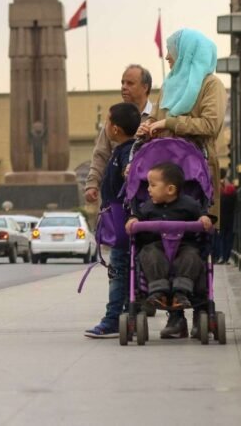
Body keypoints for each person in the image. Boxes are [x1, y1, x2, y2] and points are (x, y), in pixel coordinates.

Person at [138, 28, 225, 338]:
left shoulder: (210, 85)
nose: (167, 56)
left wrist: (170, 123)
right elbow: (160, 123)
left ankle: (201, 309)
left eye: (172, 50)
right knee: (160, 244)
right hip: (165, 175)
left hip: (196, 177)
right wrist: (149, 129)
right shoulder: (172, 86)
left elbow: (210, 125)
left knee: (195, 245)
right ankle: (175, 318)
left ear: (187, 52)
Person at [84, 102, 142, 338]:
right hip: (123, 223)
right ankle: (128, 314)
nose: (105, 126)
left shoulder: (125, 154)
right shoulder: (125, 151)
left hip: (122, 226)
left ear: (115, 129)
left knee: (118, 271)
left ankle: (112, 319)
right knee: (126, 271)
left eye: (107, 122)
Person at [125, 162, 213, 312]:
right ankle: (159, 291)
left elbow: (202, 218)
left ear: (170, 189)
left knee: (192, 256)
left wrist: (204, 219)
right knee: (149, 254)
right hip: (156, 245)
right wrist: (132, 220)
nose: (148, 189)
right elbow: (137, 217)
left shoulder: (189, 204)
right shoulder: (147, 206)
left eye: (153, 185)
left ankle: (181, 291)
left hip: (184, 245)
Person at [84, 65, 154, 206]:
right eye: (122, 82)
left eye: (130, 83)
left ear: (145, 87)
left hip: (149, 199)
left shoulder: (157, 116)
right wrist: (92, 183)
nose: (123, 87)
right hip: (116, 199)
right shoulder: (114, 118)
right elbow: (101, 154)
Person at [216, 172, 237, 264]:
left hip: (221, 218)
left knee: (221, 238)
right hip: (230, 218)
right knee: (228, 238)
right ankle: (227, 257)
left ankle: (221, 256)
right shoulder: (232, 191)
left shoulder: (219, 192)